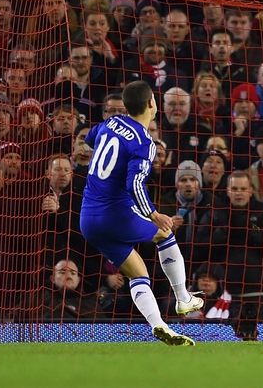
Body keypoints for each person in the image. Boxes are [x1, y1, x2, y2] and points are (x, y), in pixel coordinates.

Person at [80, 80, 204, 346]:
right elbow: (133, 183)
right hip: (114, 213)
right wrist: (153, 213)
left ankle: (160, 325)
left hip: (87, 219)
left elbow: (90, 138)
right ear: (152, 103)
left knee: (138, 274)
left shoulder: (111, 123)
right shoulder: (144, 142)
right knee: (164, 232)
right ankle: (183, 298)